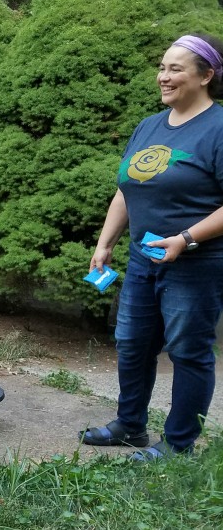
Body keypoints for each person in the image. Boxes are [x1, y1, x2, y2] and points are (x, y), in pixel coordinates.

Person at [84, 34, 223, 460]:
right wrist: (105, 243)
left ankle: (179, 445)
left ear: (206, 75)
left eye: (176, 69)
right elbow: (127, 190)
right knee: (132, 343)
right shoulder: (149, 125)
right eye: (162, 67)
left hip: (196, 263)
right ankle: (131, 426)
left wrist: (186, 239)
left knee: (188, 351)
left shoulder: (218, 127)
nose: (164, 76)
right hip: (145, 259)